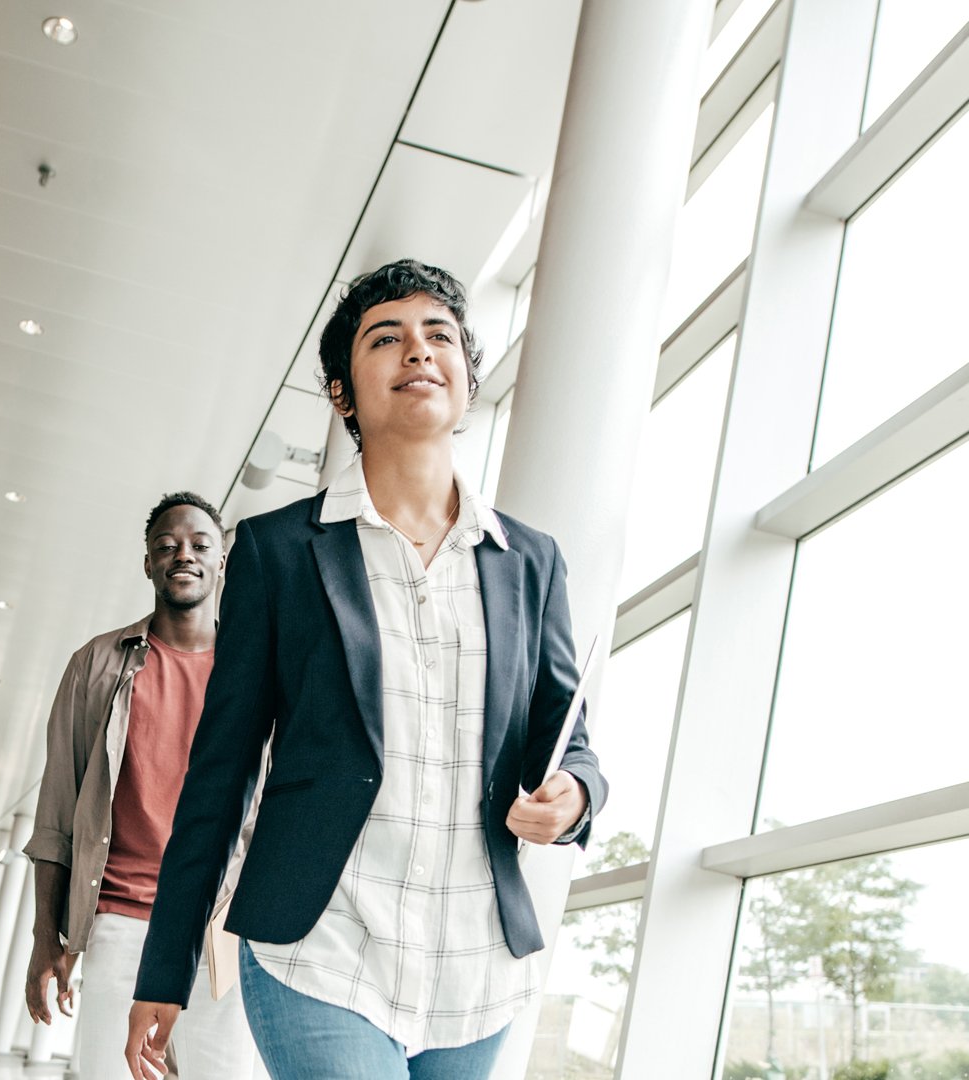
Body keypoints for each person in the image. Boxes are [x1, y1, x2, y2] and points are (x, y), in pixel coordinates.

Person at [126, 260, 607, 1080]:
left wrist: (576, 794)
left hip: (477, 965)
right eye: (387, 338)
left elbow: (568, 742)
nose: (418, 351)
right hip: (321, 947)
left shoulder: (531, 562)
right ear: (344, 394)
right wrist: (164, 967)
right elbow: (221, 773)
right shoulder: (278, 550)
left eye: (440, 336)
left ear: (466, 377)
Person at [22, 492, 258, 1079]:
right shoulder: (96, 665)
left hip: (219, 922)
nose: (184, 555)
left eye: (201, 545)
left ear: (222, 561)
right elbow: (56, 812)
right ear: (148, 563)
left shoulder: (256, 673)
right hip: (120, 919)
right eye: (167, 546)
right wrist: (44, 936)